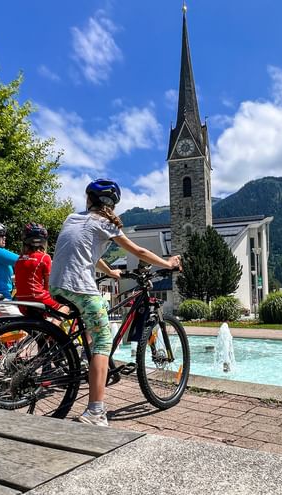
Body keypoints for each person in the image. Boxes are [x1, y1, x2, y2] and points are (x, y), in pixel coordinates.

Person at [50, 178, 181, 427]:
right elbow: (139, 252)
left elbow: (84, 251)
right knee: (103, 340)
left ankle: (80, 359)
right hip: (79, 286)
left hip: (57, 284)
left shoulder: (72, 218)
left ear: (89, 200)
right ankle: (96, 412)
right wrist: (168, 263)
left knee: (91, 326)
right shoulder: (105, 223)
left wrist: (110, 272)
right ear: (112, 204)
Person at [14, 222, 65, 312]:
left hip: (21, 302)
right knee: (66, 307)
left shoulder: (19, 259)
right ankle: (54, 324)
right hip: (39, 299)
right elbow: (48, 284)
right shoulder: (44, 257)